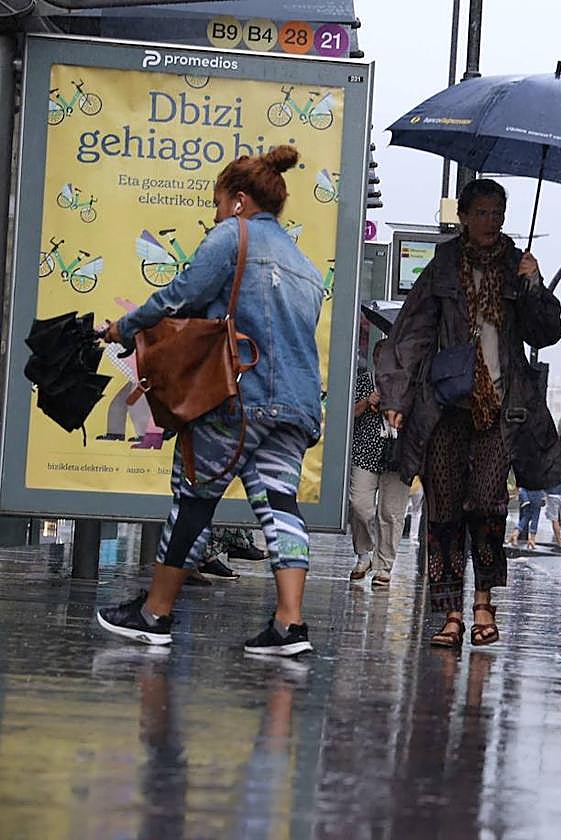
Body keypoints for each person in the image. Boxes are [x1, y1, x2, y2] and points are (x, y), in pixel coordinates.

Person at [96, 145, 324, 657]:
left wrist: (124, 327)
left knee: (195, 499)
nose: (216, 214)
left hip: (237, 399)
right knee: (280, 504)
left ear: (239, 200)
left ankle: (154, 613)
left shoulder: (233, 235)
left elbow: (181, 295)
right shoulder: (306, 267)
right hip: (296, 407)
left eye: (219, 203)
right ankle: (290, 623)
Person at [377, 177, 561, 649]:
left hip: (501, 410)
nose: (489, 221)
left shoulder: (515, 266)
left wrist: (534, 284)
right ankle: (450, 611)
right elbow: (414, 330)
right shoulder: (443, 264)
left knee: (486, 503)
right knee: (442, 511)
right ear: (463, 216)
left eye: (497, 213)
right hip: (444, 406)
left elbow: (546, 333)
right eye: (480, 212)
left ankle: (484, 601)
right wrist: (397, 398)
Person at [348, 340, 412, 588]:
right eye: (380, 357)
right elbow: (347, 413)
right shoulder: (364, 380)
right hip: (365, 451)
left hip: (398, 455)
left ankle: (384, 566)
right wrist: (368, 401)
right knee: (360, 505)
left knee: (391, 513)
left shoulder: (408, 384)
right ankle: (364, 554)